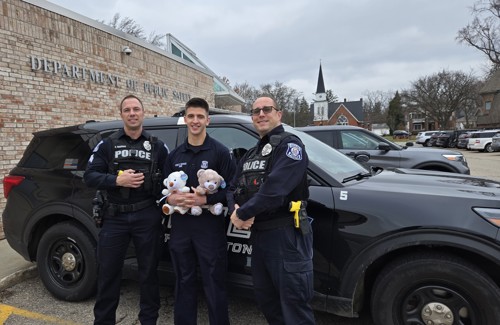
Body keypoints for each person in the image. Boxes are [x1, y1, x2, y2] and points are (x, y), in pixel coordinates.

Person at [228, 96, 315, 324]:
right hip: (260, 238)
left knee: (294, 308)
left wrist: (243, 214)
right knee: (268, 303)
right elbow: (231, 188)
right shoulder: (251, 155)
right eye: (256, 111)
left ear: (279, 113)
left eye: (267, 109)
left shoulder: (290, 146)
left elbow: (275, 190)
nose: (261, 114)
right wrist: (234, 210)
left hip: (286, 236)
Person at [84, 94, 169, 325]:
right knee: (108, 274)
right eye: (127, 110)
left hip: (147, 216)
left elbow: (171, 181)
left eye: (136, 109)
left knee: (149, 274)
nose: (132, 113)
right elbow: (89, 176)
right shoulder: (108, 144)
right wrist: (116, 181)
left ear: (143, 113)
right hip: (115, 217)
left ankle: (148, 321)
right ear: (121, 114)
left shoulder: (158, 146)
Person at [164, 97, 236, 325]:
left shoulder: (221, 153)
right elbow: (163, 189)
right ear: (184, 119)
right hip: (181, 228)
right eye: (191, 116)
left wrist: (206, 197)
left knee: (214, 283)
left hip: (209, 228)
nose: (195, 121)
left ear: (208, 120)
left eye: (200, 117)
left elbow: (233, 189)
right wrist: (170, 197)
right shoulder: (174, 156)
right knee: (183, 281)